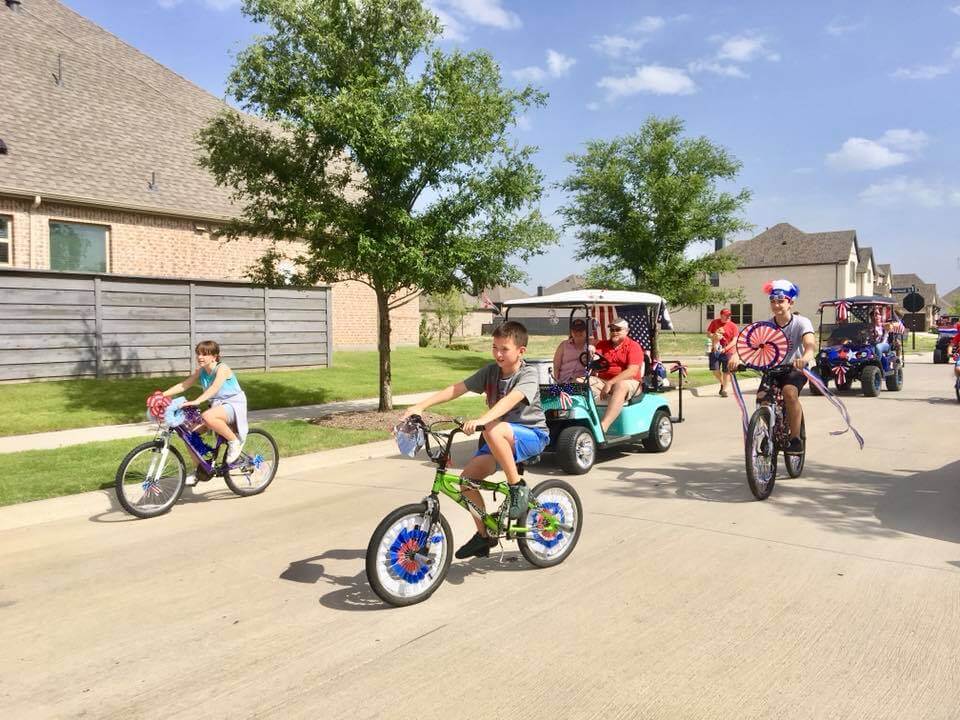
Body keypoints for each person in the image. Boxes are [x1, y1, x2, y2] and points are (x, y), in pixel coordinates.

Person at [402, 321, 549, 560]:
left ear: (521, 351)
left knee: (492, 429)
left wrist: (483, 420)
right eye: (494, 347)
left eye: (504, 349)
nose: (498, 354)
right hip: (497, 437)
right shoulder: (490, 372)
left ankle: (517, 488)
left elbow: (510, 400)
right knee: (466, 481)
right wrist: (420, 406)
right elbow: (457, 388)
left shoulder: (528, 374)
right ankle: (484, 535)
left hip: (531, 435)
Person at [728, 279, 815, 455]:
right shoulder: (767, 326)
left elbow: (810, 346)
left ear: (790, 302)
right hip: (772, 370)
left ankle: (795, 439)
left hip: (795, 369)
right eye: (773, 301)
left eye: (781, 300)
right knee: (762, 399)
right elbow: (748, 345)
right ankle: (768, 434)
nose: (776, 305)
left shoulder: (801, 322)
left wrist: (804, 358)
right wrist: (736, 357)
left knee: (789, 393)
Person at [159, 340, 248, 484]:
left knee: (207, 416)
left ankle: (234, 441)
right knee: (188, 434)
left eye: (205, 354)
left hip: (233, 405)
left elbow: (214, 387)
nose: (200, 357)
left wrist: (197, 401)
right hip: (217, 407)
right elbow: (184, 385)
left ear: (215, 356)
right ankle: (201, 470)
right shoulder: (201, 371)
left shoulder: (222, 368)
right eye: (198, 354)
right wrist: (161, 395)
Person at [578, 317, 644, 435]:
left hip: (629, 382)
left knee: (621, 386)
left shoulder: (634, 346)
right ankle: (580, 420)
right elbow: (592, 353)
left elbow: (632, 371)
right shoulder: (604, 345)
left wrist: (610, 383)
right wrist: (591, 350)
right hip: (603, 380)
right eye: (612, 329)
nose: (614, 332)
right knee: (578, 381)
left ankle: (603, 427)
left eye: (618, 329)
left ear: (626, 331)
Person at [706, 308, 738, 397]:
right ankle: (722, 383)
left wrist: (726, 348)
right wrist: (714, 335)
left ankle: (724, 390)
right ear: (721, 315)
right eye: (726, 315)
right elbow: (708, 333)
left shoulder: (733, 326)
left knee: (726, 371)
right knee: (715, 370)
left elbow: (735, 341)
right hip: (715, 349)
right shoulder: (714, 322)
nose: (728, 317)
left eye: (729, 315)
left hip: (728, 351)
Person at [552, 317, 594, 383]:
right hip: (564, 381)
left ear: (586, 331)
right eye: (575, 330)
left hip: (582, 381)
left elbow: (594, 367)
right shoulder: (563, 345)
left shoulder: (590, 346)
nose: (578, 332)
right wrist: (557, 382)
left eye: (581, 330)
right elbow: (556, 365)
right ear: (571, 332)